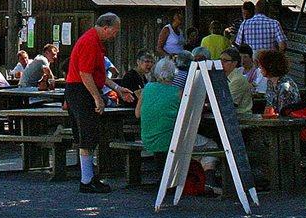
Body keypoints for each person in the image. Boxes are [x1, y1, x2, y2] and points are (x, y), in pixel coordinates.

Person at [64, 12, 136, 193]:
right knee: (86, 135)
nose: (115, 35)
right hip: (80, 90)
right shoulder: (90, 42)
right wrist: (97, 97)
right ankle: (86, 181)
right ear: (106, 28)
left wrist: (117, 88)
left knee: (90, 135)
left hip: (81, 89)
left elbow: (98, 75)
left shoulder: (95, 41)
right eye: (115, 31)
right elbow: (85, 74)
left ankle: (89, 177)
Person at [137, 57, 218, 185]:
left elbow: (137, 114)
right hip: (171, 140)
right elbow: (192, 117)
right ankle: (208, 180)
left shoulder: (147, 88)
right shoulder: (178, 92)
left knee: (192, 145)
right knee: (212, 146)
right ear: (174, 73)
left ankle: (186, 177)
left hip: (148, 138)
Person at [257, 48, 302, 113]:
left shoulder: (285, 87)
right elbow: (269, 106)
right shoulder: (270, 82)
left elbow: (284, 113)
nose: (260, 67)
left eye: (262, 65)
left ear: (269, 66)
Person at [220, 48, 254, 118]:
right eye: (220, 60)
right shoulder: (221, 76)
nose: (221, 63)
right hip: (227, 116)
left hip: (241, 118)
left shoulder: (238, 79)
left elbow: (229, 104)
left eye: (225, 61)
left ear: (234, 63)